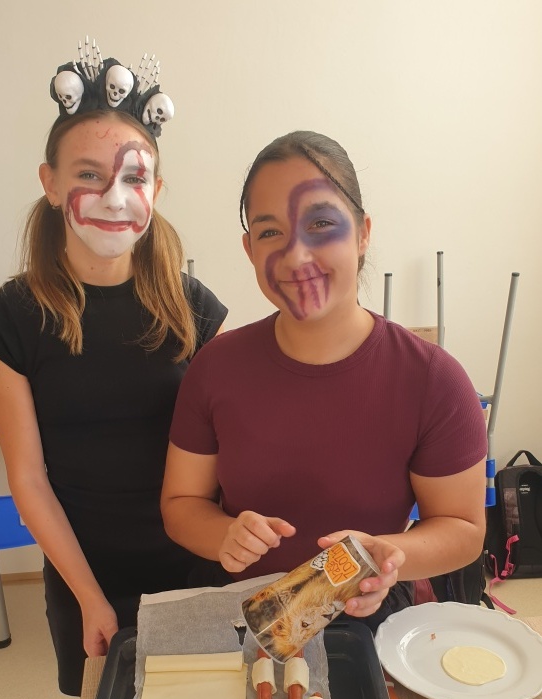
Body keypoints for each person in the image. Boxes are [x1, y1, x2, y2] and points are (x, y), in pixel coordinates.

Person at [161, 130, 487, 630]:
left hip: (367, 613)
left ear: (362, 232)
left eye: (320, 224)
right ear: (249, 249)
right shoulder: (215, 368)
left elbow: (463, 529)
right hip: (240, 614)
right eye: (270, 232)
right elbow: (181, 504)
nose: (296, 256)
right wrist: (223, 535)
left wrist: (385, 555)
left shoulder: (433, 380)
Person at [0, 43, 227, 695]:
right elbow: (28, 480)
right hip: (85, 571)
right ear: (50, 182)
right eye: (89, 175)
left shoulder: (195, 308)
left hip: (193, 563)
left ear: (156, 190)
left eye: (134, 179)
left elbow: (234, 447)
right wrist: (90, 597)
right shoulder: (8, 319)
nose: (114, 198)